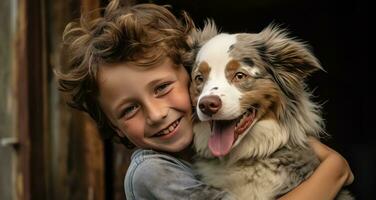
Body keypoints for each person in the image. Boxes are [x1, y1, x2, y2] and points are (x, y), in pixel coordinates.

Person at [56, 0, 354, 199]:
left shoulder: (218, 148)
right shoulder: (152, 173)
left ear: (186, 74)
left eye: (161, 88)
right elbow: (338, 168)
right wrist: (335, 167)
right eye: (130, 108)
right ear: (115, 126)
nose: (156, 113)